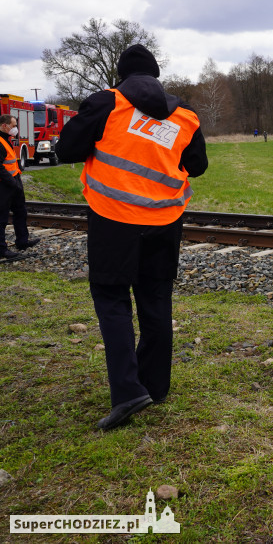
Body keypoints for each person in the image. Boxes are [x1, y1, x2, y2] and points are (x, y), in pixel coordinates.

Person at [55, 44, 208, 431]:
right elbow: (198, 166)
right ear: (156, 75)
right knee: (155, 297)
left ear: (121, 76)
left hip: (114, 218)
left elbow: (67, 149)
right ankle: (154, 386)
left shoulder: (108, 102)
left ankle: (127, 391)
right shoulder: (185, 114)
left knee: (112, 299)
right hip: (165, 221)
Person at [0, 115, 40, 260]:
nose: (16, 128)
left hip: (14, 182)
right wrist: (12, 182)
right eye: (13, 125)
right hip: (5, 185)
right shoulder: (0, 142)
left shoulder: (6, 140)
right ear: (5, 126)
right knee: (2, 217)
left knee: (20, 211)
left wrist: (16, 180)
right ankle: (2, 250)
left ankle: (22, 241)